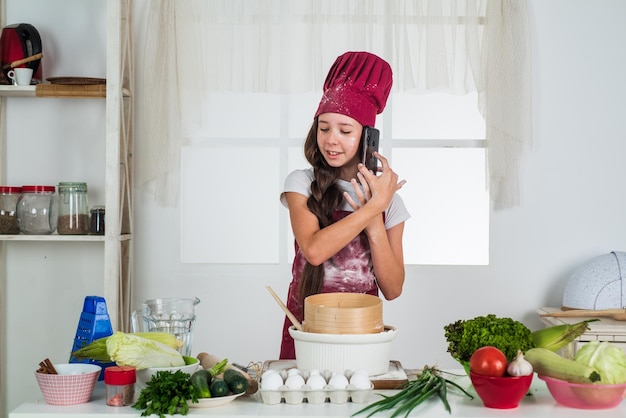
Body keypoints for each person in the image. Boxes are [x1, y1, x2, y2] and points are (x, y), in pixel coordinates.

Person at [279, 51, 410, 359]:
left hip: (361, 336)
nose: (331, 140)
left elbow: (392, 289)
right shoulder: (301, 183)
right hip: (307, 332)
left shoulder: (391, 204)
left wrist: (377, 215)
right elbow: (313, 250)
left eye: (345, 131)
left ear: (367, 137)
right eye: (324, 128)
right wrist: (371, 207)